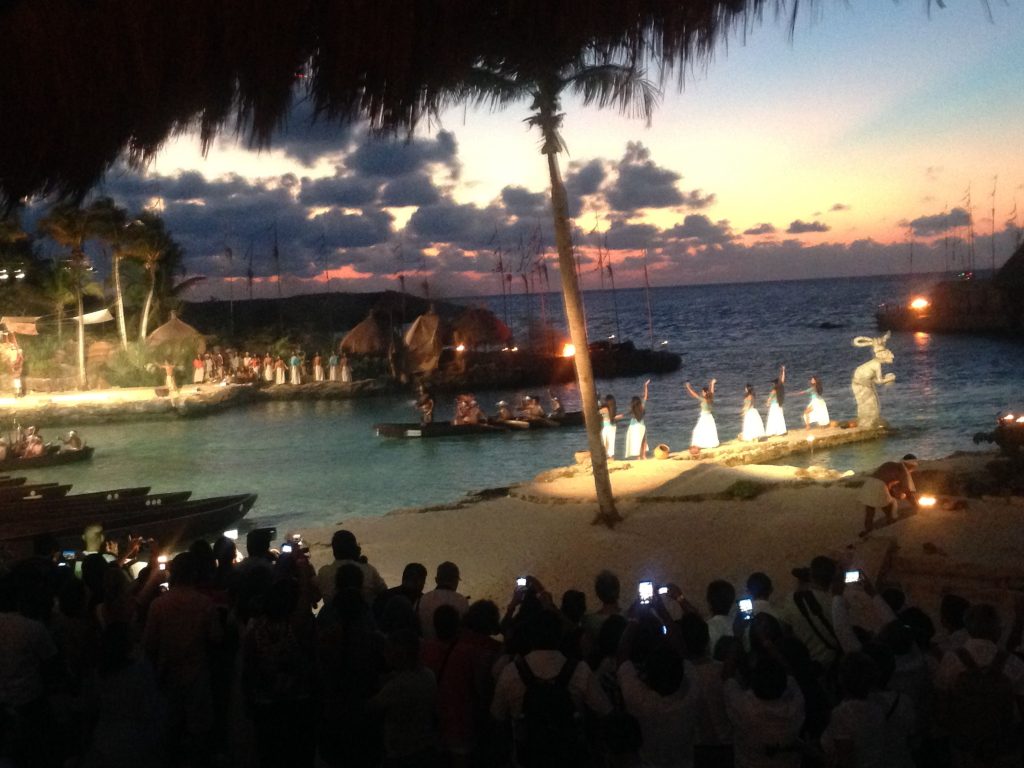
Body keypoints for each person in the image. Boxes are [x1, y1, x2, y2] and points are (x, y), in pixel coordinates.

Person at [418, 561, 470, 639]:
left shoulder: (423, 599)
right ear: (455, 581)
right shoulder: (462, 601)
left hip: (426, 647)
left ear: (436, 580)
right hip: (452, 649)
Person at [859, 460, 910, 535]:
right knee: (890, 505)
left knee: (870, 510)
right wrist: (902, 496)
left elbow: (886, 481)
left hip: (869, 483)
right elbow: (905, 490)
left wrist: (892, 492)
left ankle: (868, 529)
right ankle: (891, 524)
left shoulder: (888, 464)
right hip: (880, 485)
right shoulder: (904, 472)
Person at [686, 378, 719, 450]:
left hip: (704, 417)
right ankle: (708, 444)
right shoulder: (711, 398)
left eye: (702, 392)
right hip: (709, 417)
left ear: (704, 392)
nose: (702, 393)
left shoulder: (703, 399)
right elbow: (712, 391)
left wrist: (688, 387)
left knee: (697, 431)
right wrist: (712, 383)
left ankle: (700, 444)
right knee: (709, 431)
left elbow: (693, 394)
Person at [624, 379, 650, 459]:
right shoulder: (642, 407)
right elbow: (646, 396)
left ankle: (638, 457)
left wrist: (614, 417)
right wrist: (645, 386)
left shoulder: (632, 410)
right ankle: (644, 456)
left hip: (633, 427)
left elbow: (622, 415)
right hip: (641, 426)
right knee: (643, 440)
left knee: (636, 441)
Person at [765, 365, 787, 437]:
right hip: (779, 405)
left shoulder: (774, 389)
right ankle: (781, 431)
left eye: (773, 383)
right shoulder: (780, 387)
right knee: (779, 417)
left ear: (775, 384)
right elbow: (782, 380)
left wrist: (767, 402)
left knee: (773, 418)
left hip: (774, 406)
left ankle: (773, 431)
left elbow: (770, 397)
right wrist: (783, 371)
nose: (772, 384)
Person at [599, 394, 621, 459]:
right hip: (612, 426)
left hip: (606, 427)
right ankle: (611, 457)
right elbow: (612, 418)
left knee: (605, 442)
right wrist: (618, 417)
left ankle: (606, 457)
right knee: (611, 442)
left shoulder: (604, 409)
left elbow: (597, 413)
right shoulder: (612, 408)